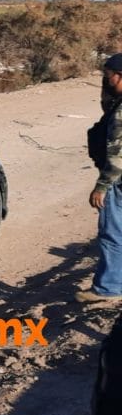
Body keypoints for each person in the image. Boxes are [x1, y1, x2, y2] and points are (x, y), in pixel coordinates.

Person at [82, 54, 122, 302]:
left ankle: (108, 288)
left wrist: (102, 186)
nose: (106, 82)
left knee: (112, 233)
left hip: (117, 181)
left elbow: (118, 154)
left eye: (108, 77)